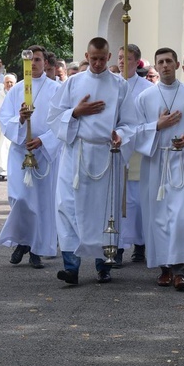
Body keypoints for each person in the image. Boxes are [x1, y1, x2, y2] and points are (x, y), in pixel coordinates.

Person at [47, 37, 134, 284]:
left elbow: (130, 123)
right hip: (76, 153)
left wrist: (121, 134)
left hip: (106, 157)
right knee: (67, 209)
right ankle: (71, 268)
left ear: (108, 57)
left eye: (101, 58)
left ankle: (103, 266)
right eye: (92, 58)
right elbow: (54, 116)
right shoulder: (73, 83)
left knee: (104, 212)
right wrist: (76, 112)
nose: (96, 63)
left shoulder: (120, 85)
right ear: (87, 55)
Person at [134, 47, 184, 291]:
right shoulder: (145, 98)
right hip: (155, 163)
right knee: (158, 218)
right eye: (161, 62)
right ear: (155, 67)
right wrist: (156, 126)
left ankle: (180, 271)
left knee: (179, 218)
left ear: (178, 65)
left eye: (169, 61)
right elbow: (134, 131)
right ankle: (164, 269)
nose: (165, 65)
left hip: (180, 165)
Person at [0, 45, 62, 269]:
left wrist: (43, 140)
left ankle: (35, 248)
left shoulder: (55, 89)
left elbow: (62, 122)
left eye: (38, 59)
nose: (33, 63)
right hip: (20, 152)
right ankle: (22, 242)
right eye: (30, 60)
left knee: (42, 202)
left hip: (43, 154)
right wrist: (21, 120)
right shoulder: (16, 91)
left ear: (46, 63)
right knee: (20, 199)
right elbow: (4, 119)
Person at [116, 44, 154, 264]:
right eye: (120, 57)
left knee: (137, 202)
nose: (122, 61)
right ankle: (118, 247)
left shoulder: (146, 88)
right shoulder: (112, 84)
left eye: (127, 58)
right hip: (117, 149)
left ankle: (140, 244)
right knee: (118, 202)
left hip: (138, 150)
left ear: (137, 61)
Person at [0, 74, 16, 181]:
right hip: (2, 128)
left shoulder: (18, 94)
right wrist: (0, 115)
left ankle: (12, 172)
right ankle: (0, 172)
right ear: (4, 83)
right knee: (1, 149)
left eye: (11, 82)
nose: (9, 84)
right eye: (7, 82)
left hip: (14, 126)